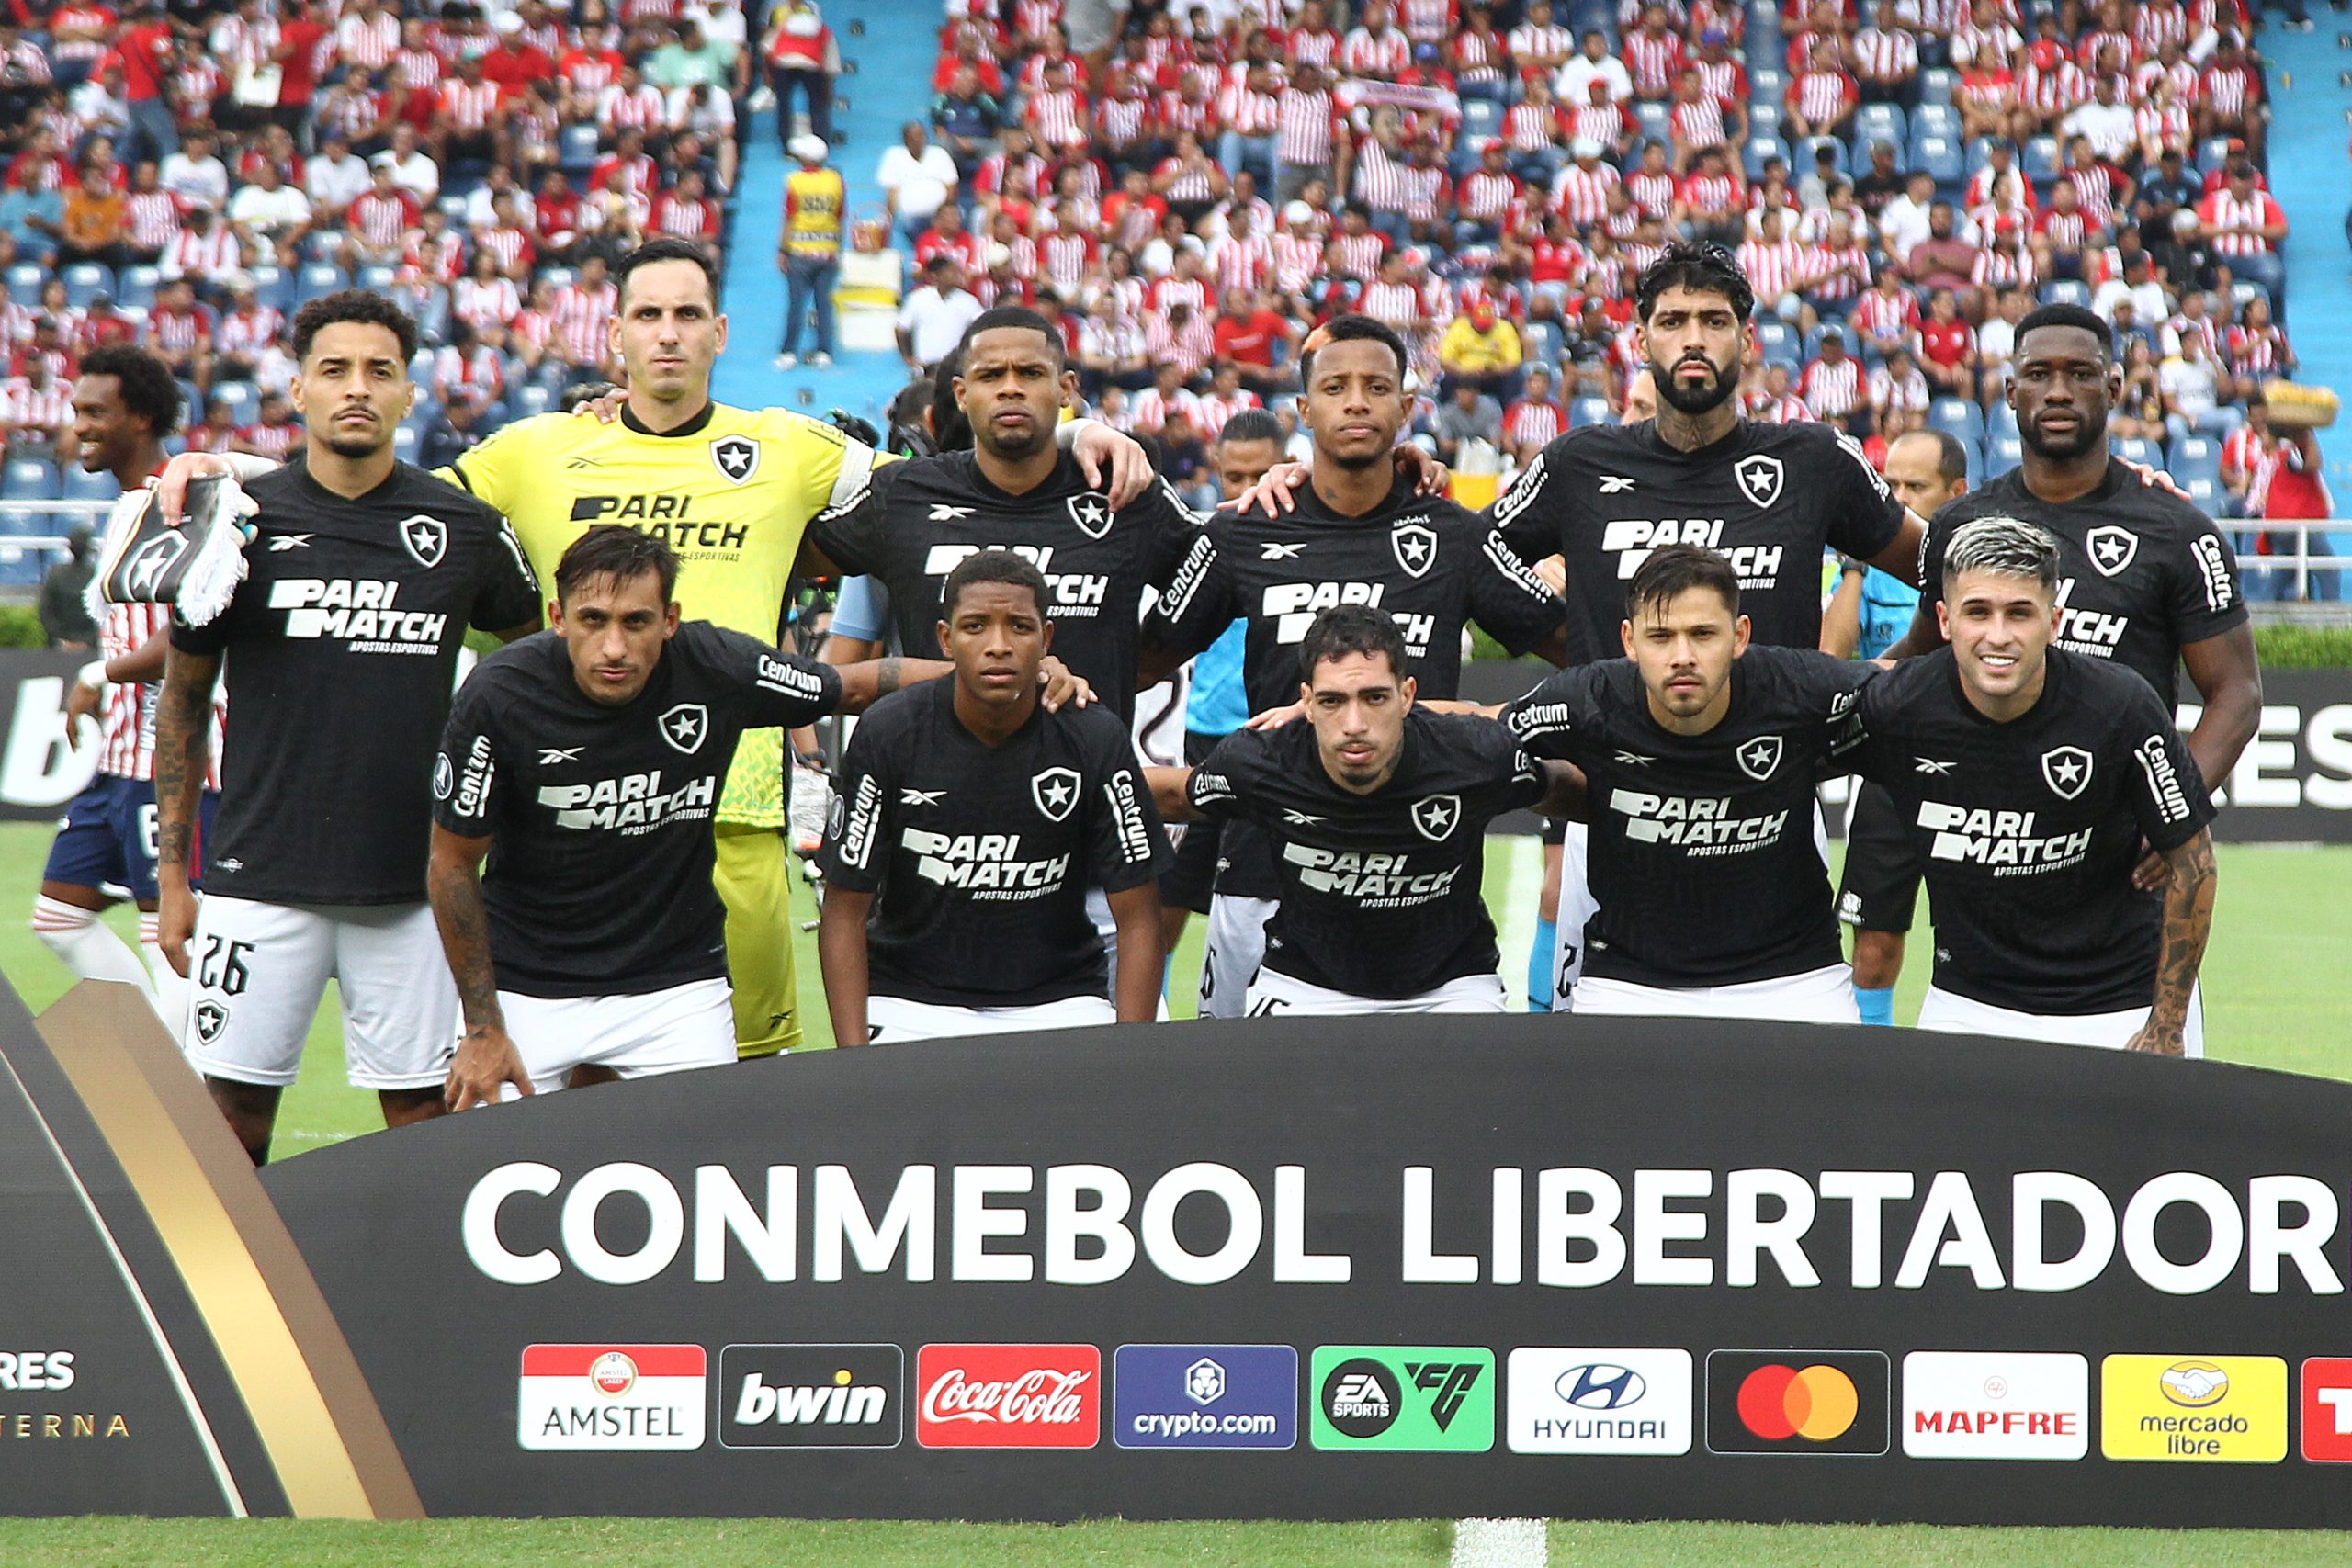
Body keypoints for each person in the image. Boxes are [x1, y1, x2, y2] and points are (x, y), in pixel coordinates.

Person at [157, 237, 1152, 1065]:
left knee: (741, 1087)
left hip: (738, 811)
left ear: (719, 332)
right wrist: (228, 465)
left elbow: (963, 472)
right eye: (648, 315)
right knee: (547, 1089)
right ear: (617, 334)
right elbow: (371, 496)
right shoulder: (534, 449)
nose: (668, 333)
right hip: (563, 826)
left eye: (688, 315)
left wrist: (1082, 432)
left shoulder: (792, 444)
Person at [155, 293, 544, 1163]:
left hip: (411, 891)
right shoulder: (238, 524)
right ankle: (232, 1299)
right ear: (297, 390)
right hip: (259, 878)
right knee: (230, 1125)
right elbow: (182, 700)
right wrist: (174, 877)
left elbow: (540, 669)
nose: (357, 389)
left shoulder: (467, 530)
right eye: (334, 370)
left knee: (422, 1129)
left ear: (411, 393)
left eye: (380, 371)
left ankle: (409, 1303)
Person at [1485, 243, 1919, 1009]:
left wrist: (1904, 665)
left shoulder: (1810, 459)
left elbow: (1950, 569)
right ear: (1641, 340)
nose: (1694, 338)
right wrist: (1573, 645)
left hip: (1773, 806)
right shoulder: (1579, 465)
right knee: (1607, 1088)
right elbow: (1460, 565)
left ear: (1747, 341)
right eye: (1673, 320)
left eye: (1714, 321)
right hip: (1614, 812)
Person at [1138, 314, 1566, 1017]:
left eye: (1377, 386)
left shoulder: (1454, 533)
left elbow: (1573, 650)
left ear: (1406, 407)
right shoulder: (1248, 528)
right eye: (1336, 387)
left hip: (1421, 876)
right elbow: (1144, 660)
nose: (1358, 402)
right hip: (1263, 873)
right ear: (1305, 410)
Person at [431, 527, 947, 1105]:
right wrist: (482, 1027)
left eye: (636, 622)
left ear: (670, 619)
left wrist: (1009, 675)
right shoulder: (500, 694)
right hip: (525, 987)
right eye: (593, 620)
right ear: (558, 616)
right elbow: (452, 864)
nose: (614, 648)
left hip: (675, 988)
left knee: (704, 1170)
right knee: (477, 1174)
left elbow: (851, 688)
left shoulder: (716, 664)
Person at [1886, 302, 2261, 928]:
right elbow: (1916, 663)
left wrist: (2175, 810)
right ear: (2010, 391)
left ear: (2114, 386)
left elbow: (2239, 692)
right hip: (1989, 857)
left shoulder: (2177, 530)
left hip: (2121, 877)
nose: (2058, 390)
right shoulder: (1959, 526)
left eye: (2080, 373)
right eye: (2038, 373)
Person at [1836, 517, 2218, 1054]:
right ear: (1943, 620)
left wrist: (2166, 1024)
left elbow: (2194, 865)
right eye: (1977, 612)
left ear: (2054, 621)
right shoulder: (1896, 706)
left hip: (2119, 1008)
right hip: (1967, 1008)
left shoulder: (2119, 706)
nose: (1998, 636)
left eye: (2020, 613)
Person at [1497, 546, 1872, 1021]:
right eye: (1661, 637)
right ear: (1629, 641)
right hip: (1629, 981)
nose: (1682, 657)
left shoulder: (1800, 686)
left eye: (1702, 634)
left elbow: (1909, 697)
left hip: (1796, 978)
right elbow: (1483, 735)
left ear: (1740, 635)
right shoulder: (1588, 698)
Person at [1149, 604, 1579, 1015]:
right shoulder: (1262, 761)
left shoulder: (1475, 755)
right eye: (1332, 700)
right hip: (1303, 986)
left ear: (1408, 695)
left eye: (1375, 698)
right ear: (1308, 702)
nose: (1354, 725)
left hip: (1452, 987)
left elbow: (1569, 789)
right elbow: (1172, 795)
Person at [818, 550, 1169, 1043]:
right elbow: (844, 909)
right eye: (975, 626)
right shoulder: (889, 732)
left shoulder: (1093, 736)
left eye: (1020, 627)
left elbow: (1139, 917)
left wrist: (1129, 1054)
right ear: (945, 638)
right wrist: (854, 1059)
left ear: (1046, 639)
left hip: (1059, 1000)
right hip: (909, 1001)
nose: (998, 646)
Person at [33, 347, 218, 1027]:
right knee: (57, 917)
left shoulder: (188, 501)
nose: (77, 423)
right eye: (76, 409)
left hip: (168, 761)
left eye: (94, 411)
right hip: (118, 762)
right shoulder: (126, 508)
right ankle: (153, 1069)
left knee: (169, 933)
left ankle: (190, 1101)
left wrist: (95, 672)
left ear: (140, 416)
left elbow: (195, 635)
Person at [1821, 427, 1965, 1025]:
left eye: (1916, 486)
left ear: (1955, 492)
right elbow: (1830, 661)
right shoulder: (1868, 562)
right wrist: (1854, 567)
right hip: (1888, 771)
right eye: (1892, 484)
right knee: (1873, 949)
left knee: (1972, 942)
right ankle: (1867, 1077)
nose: (1899, 497)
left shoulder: (1978, 568)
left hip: (1972, 767)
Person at [775, 133, 842, 370]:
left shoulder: (794, 181)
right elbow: (839, 216)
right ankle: (824, 351)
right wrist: (838, 249)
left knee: (796, 304)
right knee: (823, 304)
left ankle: (788, 352)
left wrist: (782, 250)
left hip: (800, 251)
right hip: (827, 251)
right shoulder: (835, 180)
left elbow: (789, 218)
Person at [37, 525, 97, 649]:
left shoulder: (56, 574)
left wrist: (64, 641)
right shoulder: (96, 576)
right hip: (85, 646)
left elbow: (46, 612)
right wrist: (86, 642)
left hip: (64, 645)